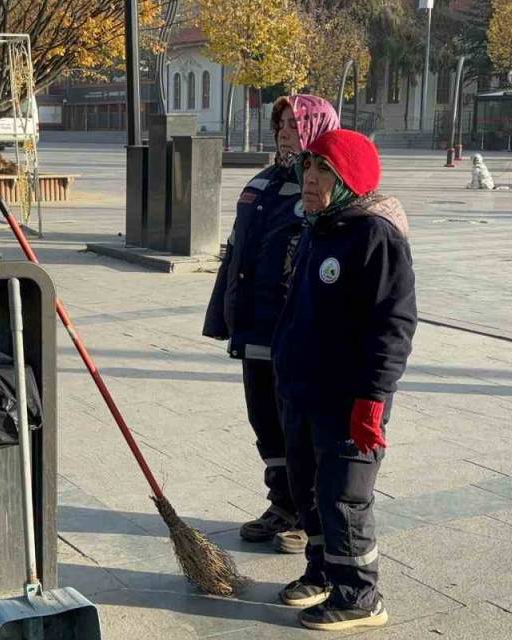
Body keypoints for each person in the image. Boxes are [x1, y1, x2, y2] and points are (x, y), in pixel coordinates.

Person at [271, 129, 416, 632]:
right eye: (307, 168)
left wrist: (373, 399)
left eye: (324, 171)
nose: (310, 179)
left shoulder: (375, 235)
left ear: (349, 178)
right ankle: (322, 572)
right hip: (303, 390)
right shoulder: (320, 225)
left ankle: (360, 595)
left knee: (344, 496)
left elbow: (392, 324)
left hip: (349, 398)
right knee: (307, 488)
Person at [203, 95, 340, 554]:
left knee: (299, 424)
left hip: (295, 329)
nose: (284, 130)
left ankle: (309, 513)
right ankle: (282, 502)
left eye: (295, 123)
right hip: (254, 326)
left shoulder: (324, 187)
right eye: (281, 123)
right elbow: (236, 253)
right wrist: (224, 314)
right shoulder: (261, 182)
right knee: (264, 419)